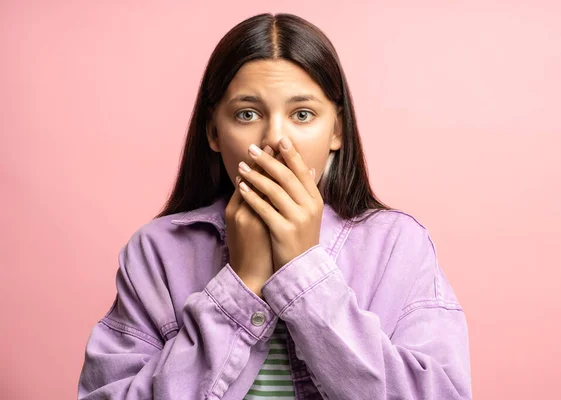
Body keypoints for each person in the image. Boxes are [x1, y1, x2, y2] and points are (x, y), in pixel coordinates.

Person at [77, 12, 472, 400]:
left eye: (302, 114)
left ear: (336, 130)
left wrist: (304, 271)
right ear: (214, 131)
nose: (274, 140)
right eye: (247, 114)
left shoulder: (399, 246)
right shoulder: (156, 253)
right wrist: (241, 281)